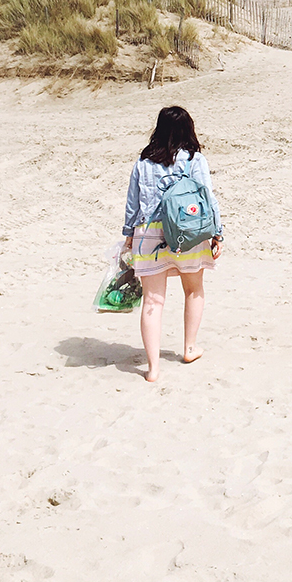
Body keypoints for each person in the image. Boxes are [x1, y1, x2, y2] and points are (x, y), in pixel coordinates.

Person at [122, 105, 223, 383]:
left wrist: (129, 237)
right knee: (194, 290)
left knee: (153, 300)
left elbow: (132, 204)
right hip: (189, 231)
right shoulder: (195, 160)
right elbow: (208, 199)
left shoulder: (143, 162)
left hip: (149, 235)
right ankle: (189, 348)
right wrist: (218, 232)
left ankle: (153, 368)